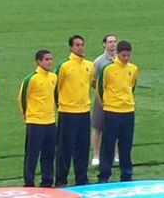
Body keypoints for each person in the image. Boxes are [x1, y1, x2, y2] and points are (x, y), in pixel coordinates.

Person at [54, 35, 95, 187]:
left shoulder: (89, 65)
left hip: (84, 111)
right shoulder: (64, 66)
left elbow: (91, 84)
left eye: (82, 44)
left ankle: (82, 178)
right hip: (67, 112)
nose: (80, 47)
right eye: (77, 45)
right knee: (65, 147)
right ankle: (61, 179)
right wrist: (59, 105)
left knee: (83, 146)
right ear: (71, 47)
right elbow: (55, 87)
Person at [97, 41, 139, 183]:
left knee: (126, 144)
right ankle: (104, 174)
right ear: (117, 54)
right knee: (108, 144)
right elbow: (100, 88)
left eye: (128, 55)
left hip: (128, 110)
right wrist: (108, 104)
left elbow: (131, 87)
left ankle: (126, 173)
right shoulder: (108, 69)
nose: (126, 58)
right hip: (112, 111)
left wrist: (128, 102)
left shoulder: (133, 69)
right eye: (123, 55)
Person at [18, 50, 58, 187]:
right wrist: (27, 116)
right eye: (46, 59)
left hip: (50, 121)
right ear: (39, 62)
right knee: (32, 154)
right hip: (35, 122)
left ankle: (47, 180)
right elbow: (22, 99)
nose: (49, 62)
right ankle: (29, 181)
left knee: (49, 153)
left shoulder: (53, 77)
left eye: (51, 59)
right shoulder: (32, 79)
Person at [91, 34, 119, 167]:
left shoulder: (120, 59)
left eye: (114, 42)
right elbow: (93, 80)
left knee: (116, 128)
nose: (112, 44)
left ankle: (116, 154)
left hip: (117, 99)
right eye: (110, 42)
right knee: (98, 127)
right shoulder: (99, 61)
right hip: (102, 99)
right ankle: (96, 155)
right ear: (104, 44)